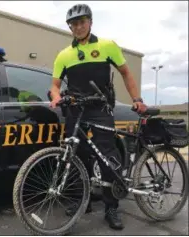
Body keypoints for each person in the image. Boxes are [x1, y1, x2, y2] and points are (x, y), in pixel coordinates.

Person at [49, 4, 147, 230]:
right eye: (74, 24)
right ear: (70, 28)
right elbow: (54, 85)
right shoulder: (64, 55)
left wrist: (137, 98)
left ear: (90, 22)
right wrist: (56, 97)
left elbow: (125, 72)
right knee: (76, 157)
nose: (78, 27)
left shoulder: (107, 46)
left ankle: (111, 206)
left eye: (82, 22)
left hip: (100, 109)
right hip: (75, 110)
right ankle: (82, 202)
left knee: (107, 157)